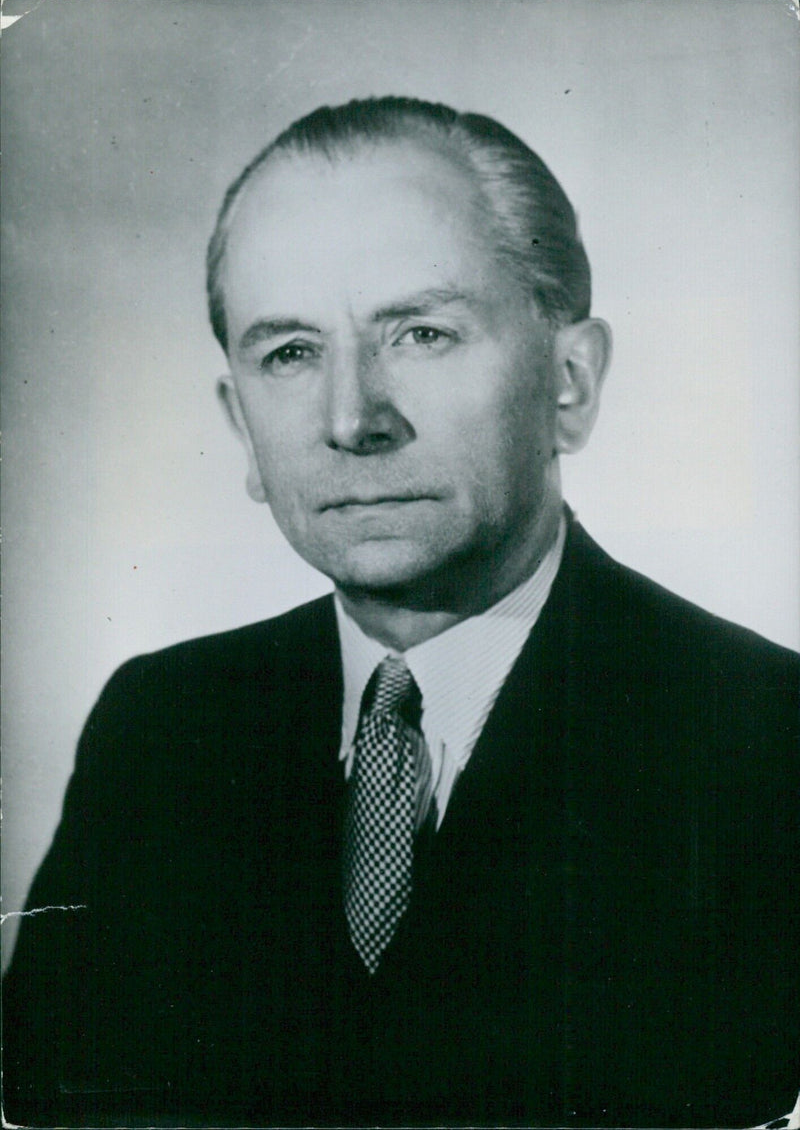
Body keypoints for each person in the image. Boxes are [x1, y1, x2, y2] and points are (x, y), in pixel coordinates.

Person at [3, 97, 798, 1130]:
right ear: (238, 426)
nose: (350, 419)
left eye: (421, 332)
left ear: (570, 380)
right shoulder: (162, 725)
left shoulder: (765, 737)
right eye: (288, 352)